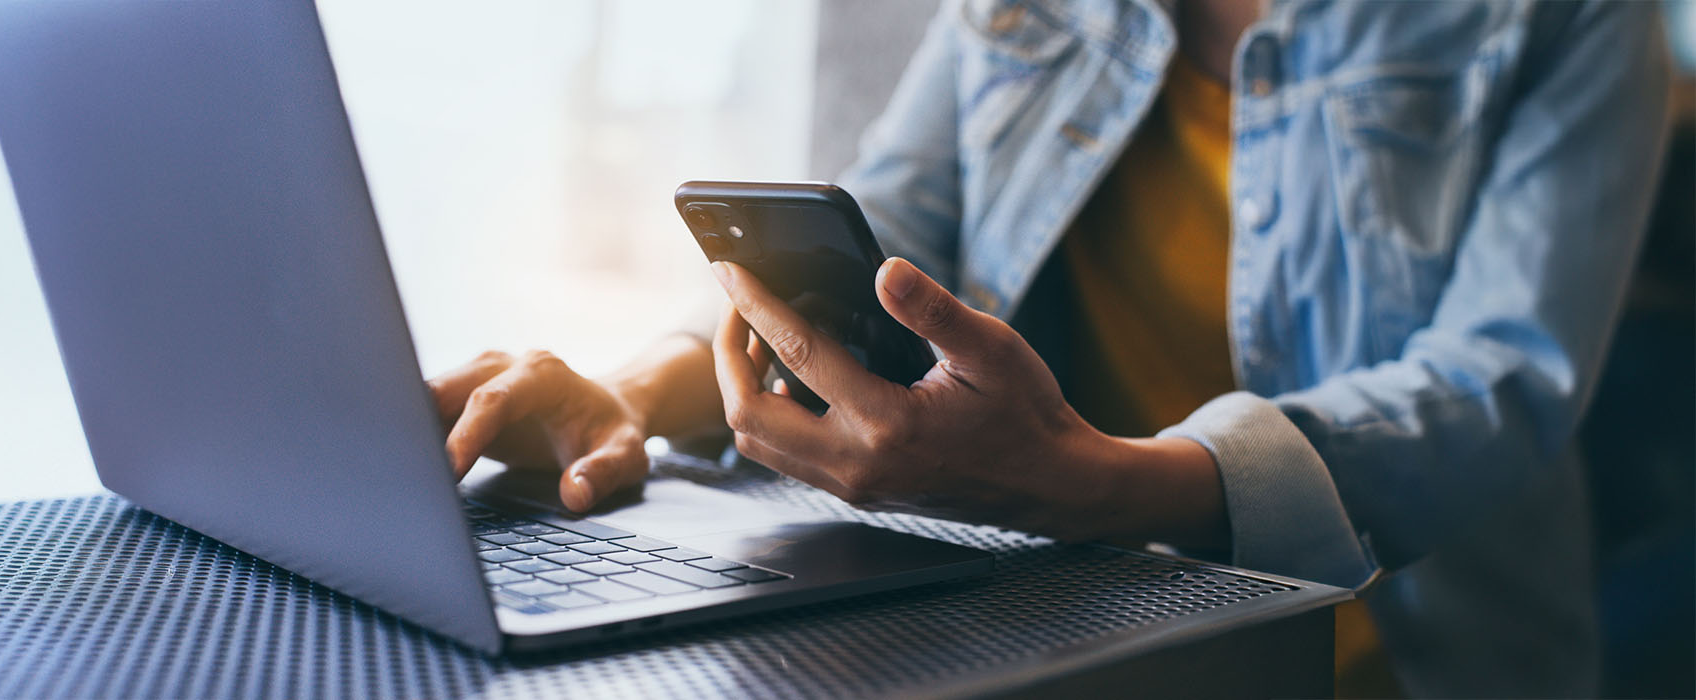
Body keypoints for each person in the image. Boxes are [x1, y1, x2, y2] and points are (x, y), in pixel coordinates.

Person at [426, 0, 1673, 695]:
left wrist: (1088, 483)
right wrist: (631, 390)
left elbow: (1497, 386)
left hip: (1390, 653)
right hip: (1055, 611)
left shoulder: (1563, 19)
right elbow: (876, 242)